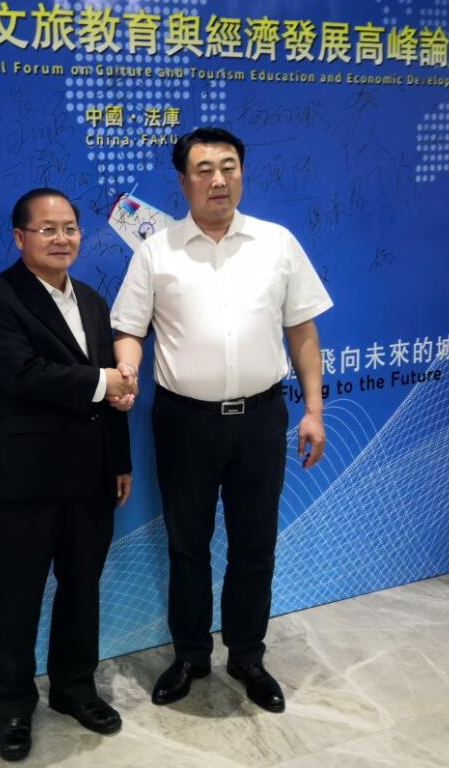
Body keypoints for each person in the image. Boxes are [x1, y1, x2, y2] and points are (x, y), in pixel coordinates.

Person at [110, 127, 332, 713]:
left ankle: (248, 656)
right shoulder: (157, 251)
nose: (218, 179)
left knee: (255, 545)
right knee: (188, 547)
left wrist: (313, 410)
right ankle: (190, 655)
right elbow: (129, 328)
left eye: (229, 167)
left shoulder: (277, 242)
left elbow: (302, 331)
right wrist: (128, 369)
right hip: (185, 423)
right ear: (183, 181)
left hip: (261, 421)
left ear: (242, 174)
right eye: (204, 169)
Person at [0, 188, 136, 761]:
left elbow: (112, 390)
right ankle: (15, 705)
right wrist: (104, 383)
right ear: (20, 238)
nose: (61, 238)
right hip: (25, 479)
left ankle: (74, 687)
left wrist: (120, 459)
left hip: (92, 475)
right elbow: (21, 374)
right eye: (47, 229)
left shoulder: (91, 299)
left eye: (70, 228)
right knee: (16, 597)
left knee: (82, 588)